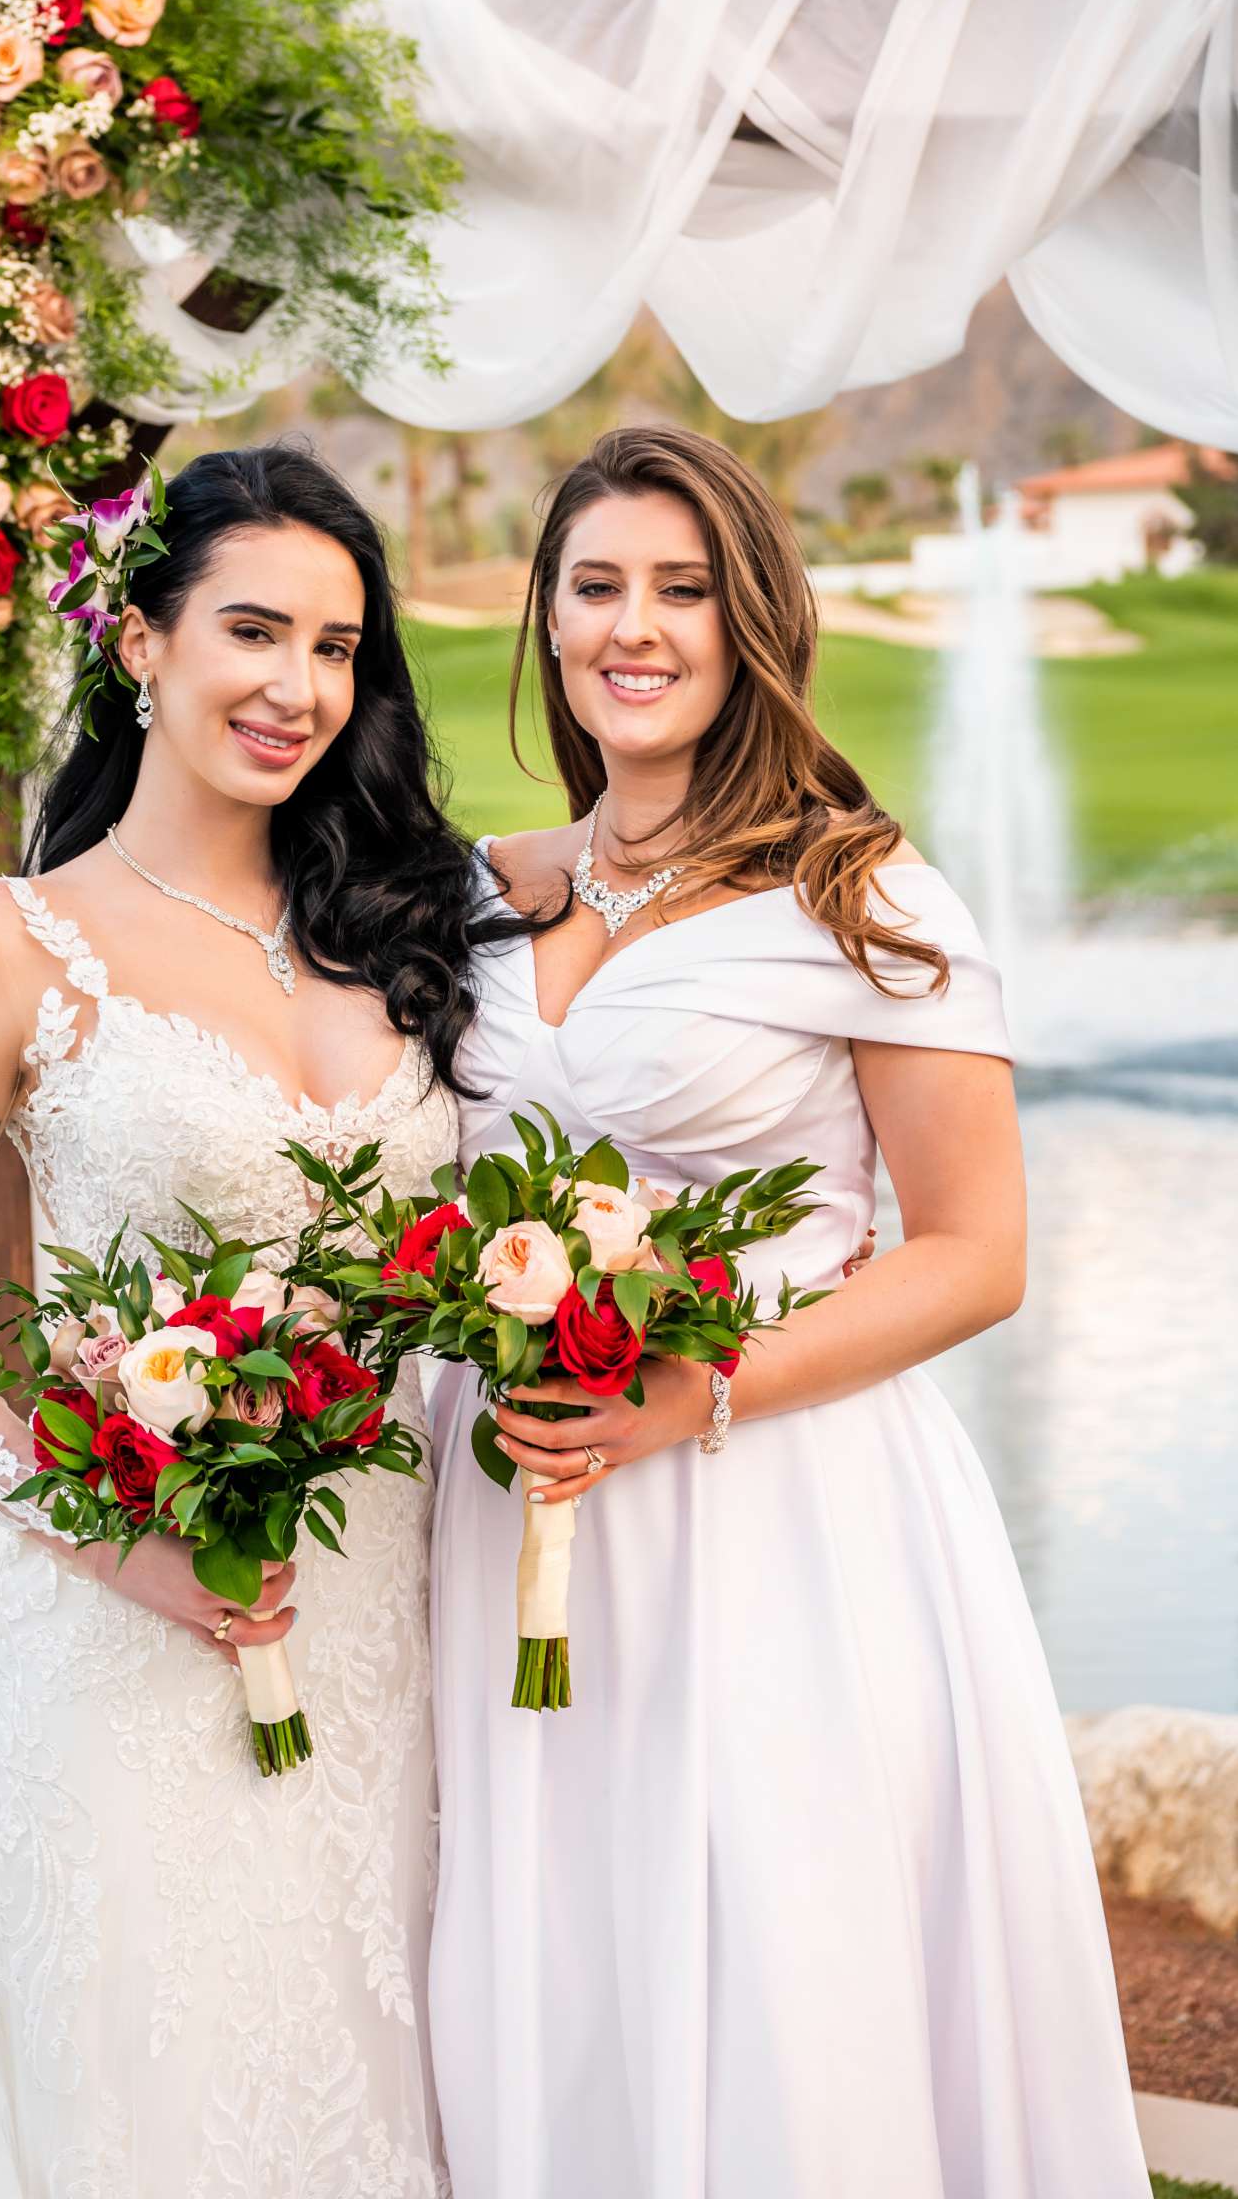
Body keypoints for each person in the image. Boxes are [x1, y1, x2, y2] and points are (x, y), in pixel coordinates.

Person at [425, 425, 1148, 2198]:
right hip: (502, 1499)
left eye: (682, 589)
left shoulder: (862, 895)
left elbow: (978, 1253)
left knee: (764, 1943)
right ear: (547, 618)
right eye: (595, 587)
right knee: (543, 1943)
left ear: (752, 622)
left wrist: (694, 1395)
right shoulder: (478, 893)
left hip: (772, 1512)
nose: (634, 628)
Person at [0, 443, 508, 2197]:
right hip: (113, 1629)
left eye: (339, 650)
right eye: (254, 632)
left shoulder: (411, 922)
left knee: (372, 2086)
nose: (298, 688)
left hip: (380, 1627)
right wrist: (110, 1533)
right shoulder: (14, 942)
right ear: (140, 640)